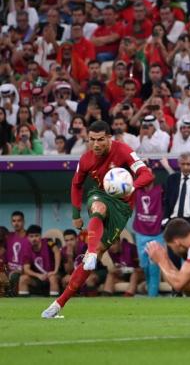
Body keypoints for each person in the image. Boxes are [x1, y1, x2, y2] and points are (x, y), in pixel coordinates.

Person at [41, 120, 154, 318]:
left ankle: (61, 301)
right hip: (101, 194)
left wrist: (131, 186)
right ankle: (58, 304)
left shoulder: (124, 150)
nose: (96, 144)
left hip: (123, 207)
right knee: (97, 208)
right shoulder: (85, 159)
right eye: (92, 140)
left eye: (100, 140)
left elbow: (147, 174)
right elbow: (76, 185)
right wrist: (76, 214)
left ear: (109, 138)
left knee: (94, 256)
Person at [133, 180, 164, 297]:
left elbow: (175, 181)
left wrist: (166, 165)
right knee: (145, 266)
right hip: (141, 233)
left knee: (154, 266)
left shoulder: (160, 190)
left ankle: (152, 298)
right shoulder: (137, 191)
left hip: (157, 233)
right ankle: (151, 292)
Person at [18, 225, 61, 297]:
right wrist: (38, 275)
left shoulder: (48, 242)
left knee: (53, 278)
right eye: (31, 236)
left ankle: (54, 306)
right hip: (37, 278)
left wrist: (55, 271)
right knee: (23, 278)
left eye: (36, 236)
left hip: (52, 275)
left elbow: (57, 251)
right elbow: (26, 269)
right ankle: (23, 306)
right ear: (28, 238)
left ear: (40, 236)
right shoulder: (27, 250)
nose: (34, 239)